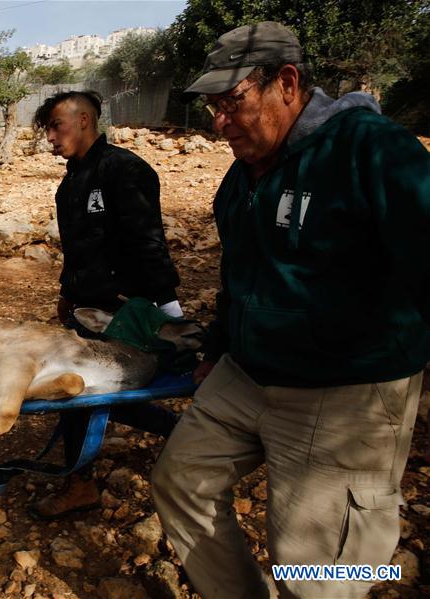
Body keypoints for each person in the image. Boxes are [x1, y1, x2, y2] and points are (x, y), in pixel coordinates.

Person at [151, 22, 430, 599]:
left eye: (232, 102)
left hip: (345, 387)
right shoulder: (242, 175)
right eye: (213, 107)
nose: (220, 122)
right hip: (248, 373)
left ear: (286, 82)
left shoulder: (370, 150)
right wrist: (219, 344)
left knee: (315, 572)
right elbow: (241, 271)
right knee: (181, 481)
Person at [29, 90, 183, 520]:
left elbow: (149, 243)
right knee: (90, 390)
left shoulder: (125, 169)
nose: (50, 138)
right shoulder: (70, 184)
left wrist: (168, 311)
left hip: (127, 314)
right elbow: (77, 250)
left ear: (84, 120)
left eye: (55, 126)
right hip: (88, 311)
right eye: (47, 130)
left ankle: (80, 486)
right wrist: (67, 292)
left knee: (76, 389)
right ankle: (178, 429)